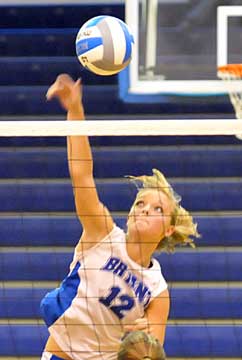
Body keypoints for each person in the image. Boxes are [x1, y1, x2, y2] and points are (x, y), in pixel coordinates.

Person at [40, 74, 200, 360]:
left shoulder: (157, 290)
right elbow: (81, 174)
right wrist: (75, 110)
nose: (144, 209)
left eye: (157, 209)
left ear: (168, 230)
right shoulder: (102, 233)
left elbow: (151, 351)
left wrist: (143, 338)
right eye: (140, 203)